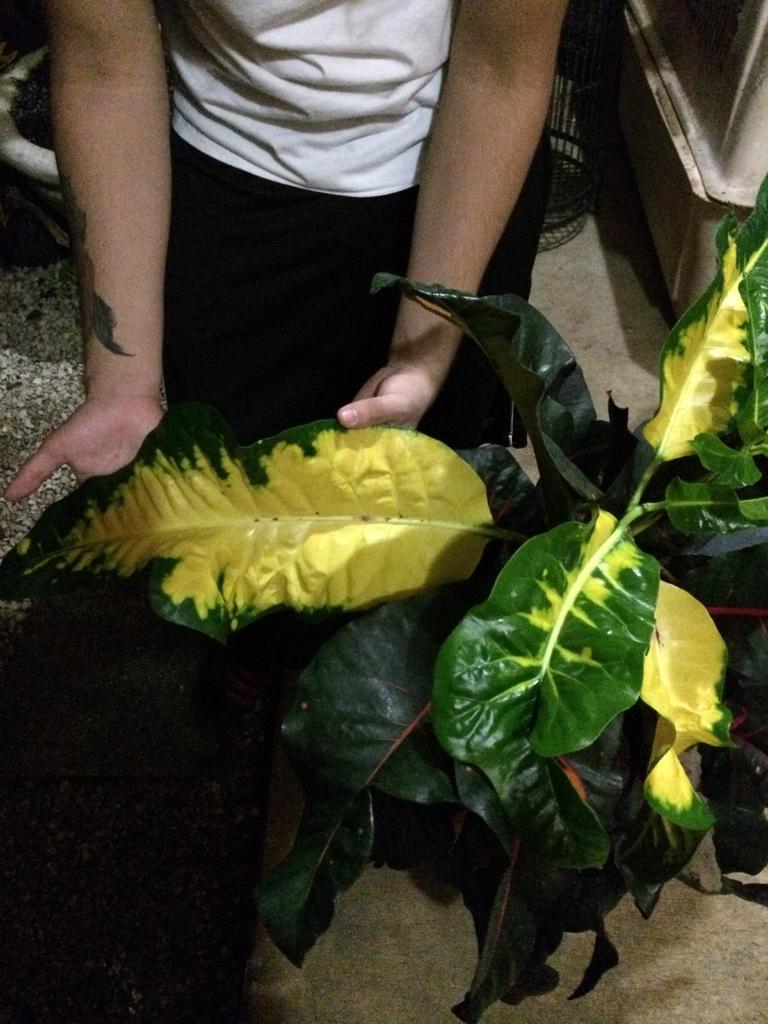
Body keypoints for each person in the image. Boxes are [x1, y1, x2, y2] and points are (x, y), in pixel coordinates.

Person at [3, 1, 567, 1018]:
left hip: (451, 172)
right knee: (248, 514)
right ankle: (266, 651)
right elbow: (103, 58)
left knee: (426, 514)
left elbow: (500, 65)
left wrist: (423, 348)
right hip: (223, 177)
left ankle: (407, 707)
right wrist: (122, 377)